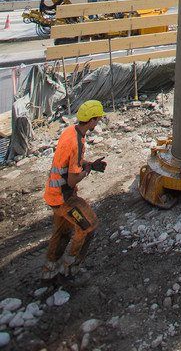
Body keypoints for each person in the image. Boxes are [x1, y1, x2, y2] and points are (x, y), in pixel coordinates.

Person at [43, 100, 107, 281]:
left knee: (62, 231)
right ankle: (70, 266)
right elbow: (72, 180)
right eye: (97, 120)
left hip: (53, 195)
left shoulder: (70, 132)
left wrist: (89, 164)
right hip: (65, 198)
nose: (97, 123)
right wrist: (87, 171)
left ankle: (49, 269)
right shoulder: (77, 142)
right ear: (92, 120)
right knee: (89, 225)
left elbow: (69, 163)